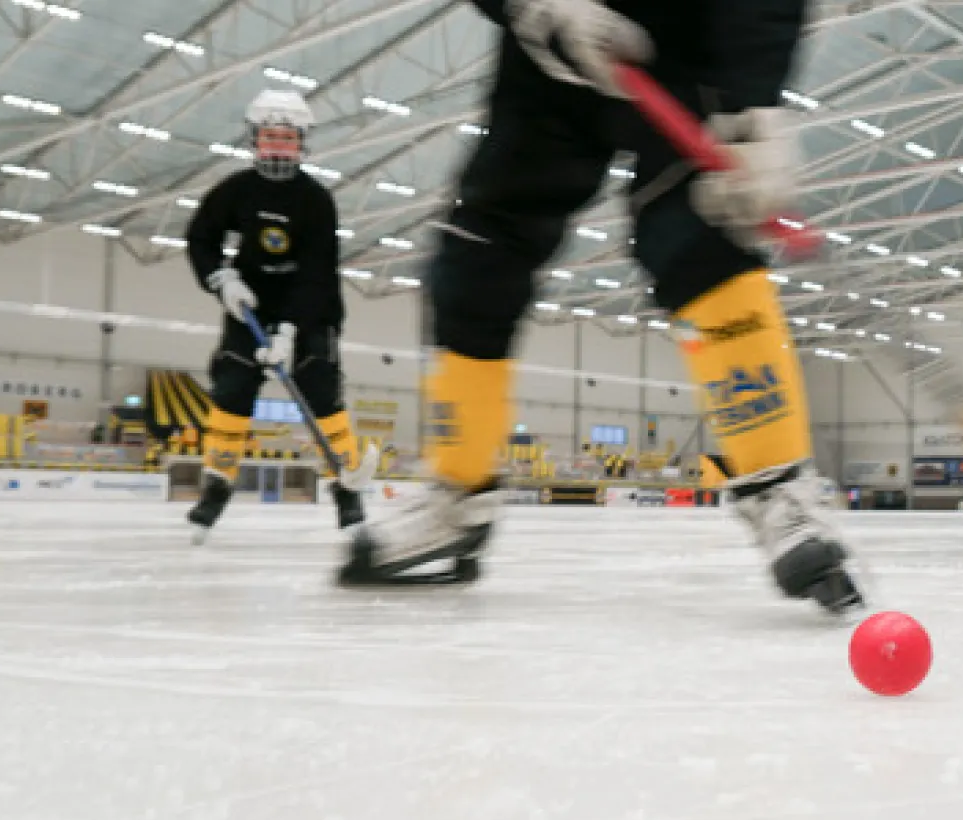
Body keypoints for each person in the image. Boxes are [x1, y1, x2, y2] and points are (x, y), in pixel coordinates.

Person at [340, 0, 863, 614]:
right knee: (479, 256)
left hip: (686, 47)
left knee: (704, 239)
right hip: (552, 56)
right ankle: (458, 493)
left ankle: (779, 489)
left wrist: (753, 104)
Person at [184, 89, 368, 537]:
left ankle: (347, 493)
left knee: (321, 395)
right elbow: (200, 239)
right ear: (254, 139)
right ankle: (216, 488)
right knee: (231, 389)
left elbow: (317, 273)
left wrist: (287, 332)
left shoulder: (316, 201)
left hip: (310, 314)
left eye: (287, 139)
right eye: (270, 137)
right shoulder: (236, 191)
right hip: (248, 305)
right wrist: (222, 281)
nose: (277, 146)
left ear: (302, 143)